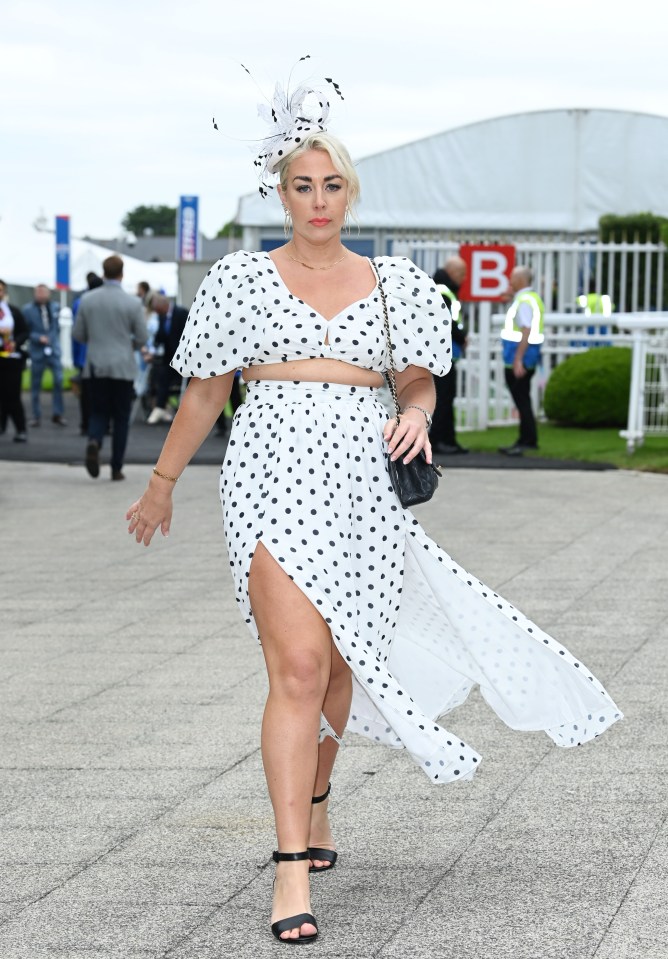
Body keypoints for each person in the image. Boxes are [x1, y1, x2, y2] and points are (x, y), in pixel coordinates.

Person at [126, 75, 621, 945]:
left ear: (351, 191)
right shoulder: (240, 280)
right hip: (270, 474)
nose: (317, 201)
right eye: (299, 185)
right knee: (301, 664)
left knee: (344, 662)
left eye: (331, 185)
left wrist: (419, 413)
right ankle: (288, 871)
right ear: (279, 194)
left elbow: (418, 377)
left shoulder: (396, 284)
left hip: (362, 484)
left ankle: (316, 801)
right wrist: (161, 484)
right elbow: (206, 395)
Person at [73, 255, 147, 481]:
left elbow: (78, 334)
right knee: (121, 417)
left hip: (96, 365)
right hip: (123, 365)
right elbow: (143, 337)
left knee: (98, 411)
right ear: (122, 274)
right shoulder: (133, 303)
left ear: (103, 273)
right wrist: (128, 345)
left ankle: (94, 440)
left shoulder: (87, 300)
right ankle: (116, 467)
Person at [499, 265, 544, 456]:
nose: (509, 281)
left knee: (522, 400)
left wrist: (518, 359)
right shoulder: (530, 298)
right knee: (523, 399)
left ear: (520, 280)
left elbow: (526, 329)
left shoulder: (524, 301)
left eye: (512, 278)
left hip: (519, 358)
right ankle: (527, 439)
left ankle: (526, 441)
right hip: (529, 356)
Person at [431, 256, 468, 454]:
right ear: (452, 272)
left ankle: (448, 440)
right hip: (443, 355)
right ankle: (439, 440)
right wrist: (463, 337)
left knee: (446, 397)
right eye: (462, 274)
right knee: (444, 398)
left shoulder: (439, 288)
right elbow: (447, 323)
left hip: (443, 354)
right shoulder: (443, 291)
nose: (464, 278)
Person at [22, 284, 67, 428]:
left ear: (48, 293)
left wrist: (52, 340)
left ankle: (58, 413)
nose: (41, 295)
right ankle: (36, 415)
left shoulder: (55, 307)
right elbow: (25, 331)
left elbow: (57, 327)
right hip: (38, 351)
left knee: (59, 381)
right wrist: (37, 338)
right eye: (39, 292)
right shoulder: (28, 310)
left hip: (53, 350)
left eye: (44, 292)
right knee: (35, 384)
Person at [145, 294, 188, 424]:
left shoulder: (181, 313)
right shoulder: (161, 316)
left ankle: (183, 411)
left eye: (157, 309)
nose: (157, 313)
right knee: (161, 376)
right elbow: (160, 337)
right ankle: (160, 407)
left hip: (184, 358)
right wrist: (151, 351)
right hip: (169, 358)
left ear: (164, 305)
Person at [71, 273, 104, 435]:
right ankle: (102, 426)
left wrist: (75, 356)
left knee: (86, 394)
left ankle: (85, 424)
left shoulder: (80, 302)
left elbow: (76, 332)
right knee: (104, 393)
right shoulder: (105, 303)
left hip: (84, 354)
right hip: (104, 356)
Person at [0, 279, 29, 442]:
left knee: (12, 395)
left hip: (11, 359)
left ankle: (21, 429)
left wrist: (15, 342)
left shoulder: (13, 311)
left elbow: (24, 331)